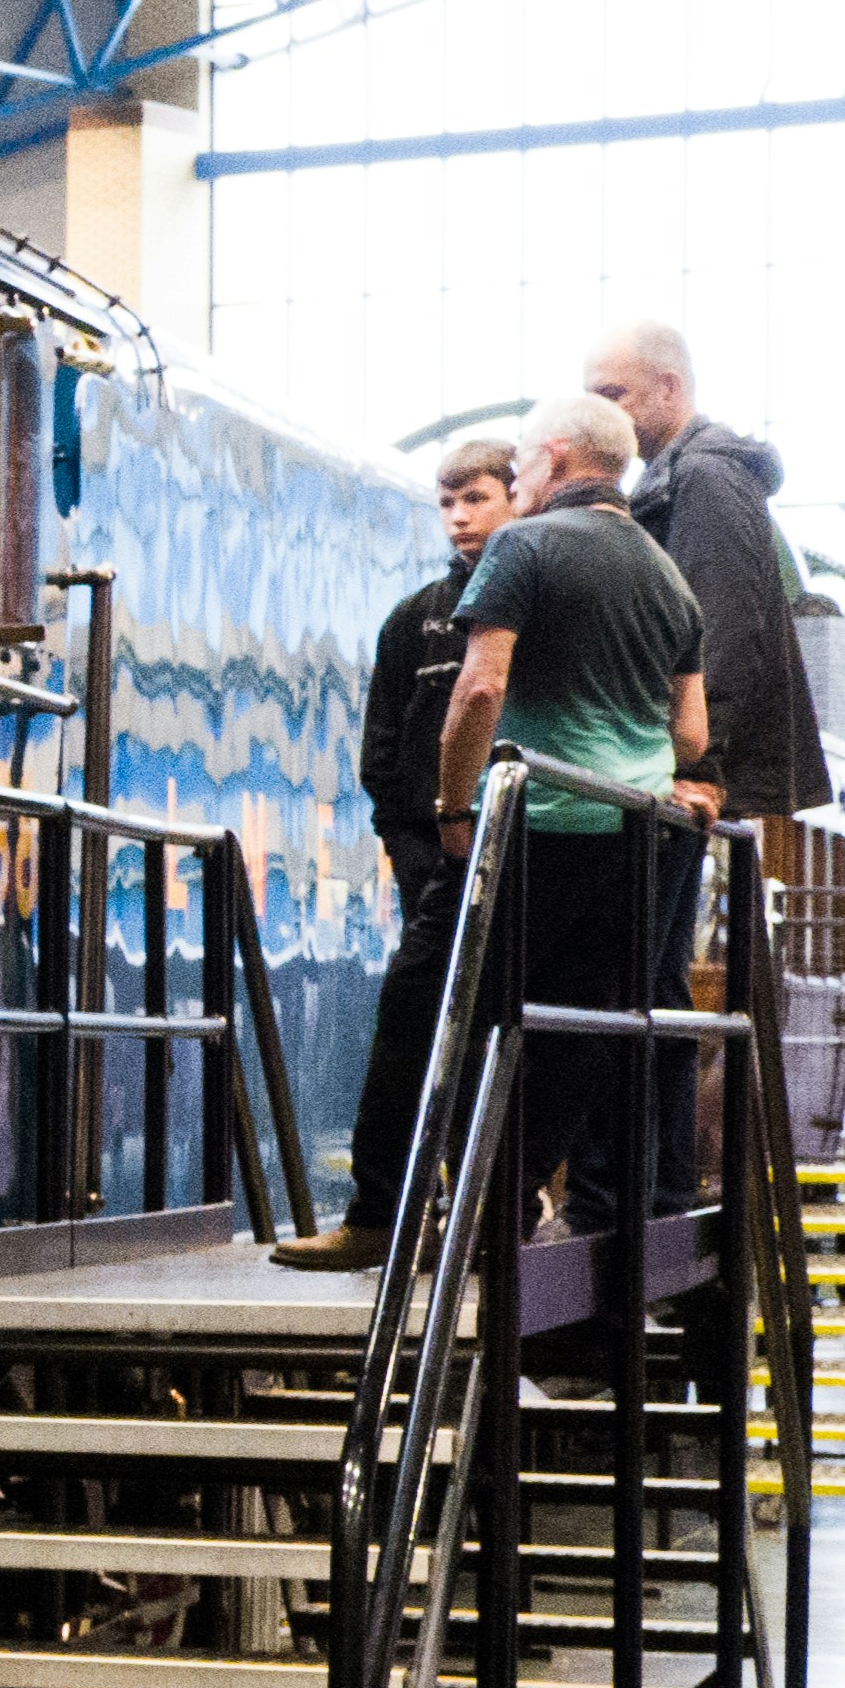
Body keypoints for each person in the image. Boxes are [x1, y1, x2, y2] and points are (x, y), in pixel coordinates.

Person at [433, 395, 720, 1312]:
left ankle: (469, 1211)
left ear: (555, 457)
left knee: (475, 1017)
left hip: (542, 824)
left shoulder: (525, 548)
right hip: (636, 836)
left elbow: (481, 690)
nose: (516, 476)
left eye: (520, 461)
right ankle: (510, 1203)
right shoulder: (670, 578)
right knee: (578, 1036)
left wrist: (452, 803)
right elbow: (690, 734)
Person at [285, 427, 519, 1265]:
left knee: (490, 1030)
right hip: (438, 859)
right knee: (423, 1022)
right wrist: (420, 851)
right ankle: (399, 1213)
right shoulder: (413, 619)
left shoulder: (536, 606)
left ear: (518, 496)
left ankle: (485, 1213)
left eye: (477, 498)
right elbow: (381, 756)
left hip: (524, 851)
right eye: (447, 502)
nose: (459, 517)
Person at [590, 321, 830, 951]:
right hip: (675, 763)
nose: (600, 413)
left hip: (685, 769)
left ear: (669, 387)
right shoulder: (683, 477)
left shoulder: (703, 477)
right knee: (651, 967)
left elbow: (720, 626)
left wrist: (698, 763)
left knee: (647, 965)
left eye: (613, 393)